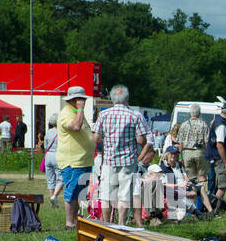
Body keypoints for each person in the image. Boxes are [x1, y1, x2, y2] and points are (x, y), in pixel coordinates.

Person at [94, 84, 154, 227]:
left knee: (106, 195)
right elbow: (141, 140)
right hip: (128, 160)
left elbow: (96, 138)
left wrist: (107, 140)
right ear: (127, 99)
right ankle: (121, 223)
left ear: (112, 99)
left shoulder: (103, 114)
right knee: (125, 195)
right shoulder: (135, 115)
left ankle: (106, 223)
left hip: (109, 160)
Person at [57, 86, 95, 229]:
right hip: (72, 161)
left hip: (83, 160)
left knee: (79, 193)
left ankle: (75, 221)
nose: (83, 101)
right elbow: (76, 127)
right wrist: (80, 110)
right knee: (72, 191)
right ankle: (69, 223)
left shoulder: (77, 112)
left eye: (83, 99)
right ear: (73, 100)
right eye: (81, 99)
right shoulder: (66, 113)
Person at [175, 104, 212, 214]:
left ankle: (192, 208)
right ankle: (201, 205)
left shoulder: (184, 125)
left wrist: (181, 156)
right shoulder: (203, 124)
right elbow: (207, 142)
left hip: (187, 152)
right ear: (199, 113)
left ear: (190, 113)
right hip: (199, 152)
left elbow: (180, 142)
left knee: (191, 180)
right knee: (201, 179)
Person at [206, 101, 226, 212]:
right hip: (221, 160)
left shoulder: (218, 121)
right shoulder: (222, 125)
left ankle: (213, 210)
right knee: (223, 186)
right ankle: (213, 211)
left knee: (220, 186)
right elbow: (220, 145)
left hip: (217, 159)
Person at [42, 120, 62, 212]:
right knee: (60, 178)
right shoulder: (61, 132)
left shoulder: (48, 132)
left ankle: (51, 198)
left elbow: (45, 146)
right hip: (58, 155)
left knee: (50, 179)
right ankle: (54, 196)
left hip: (48, 156)